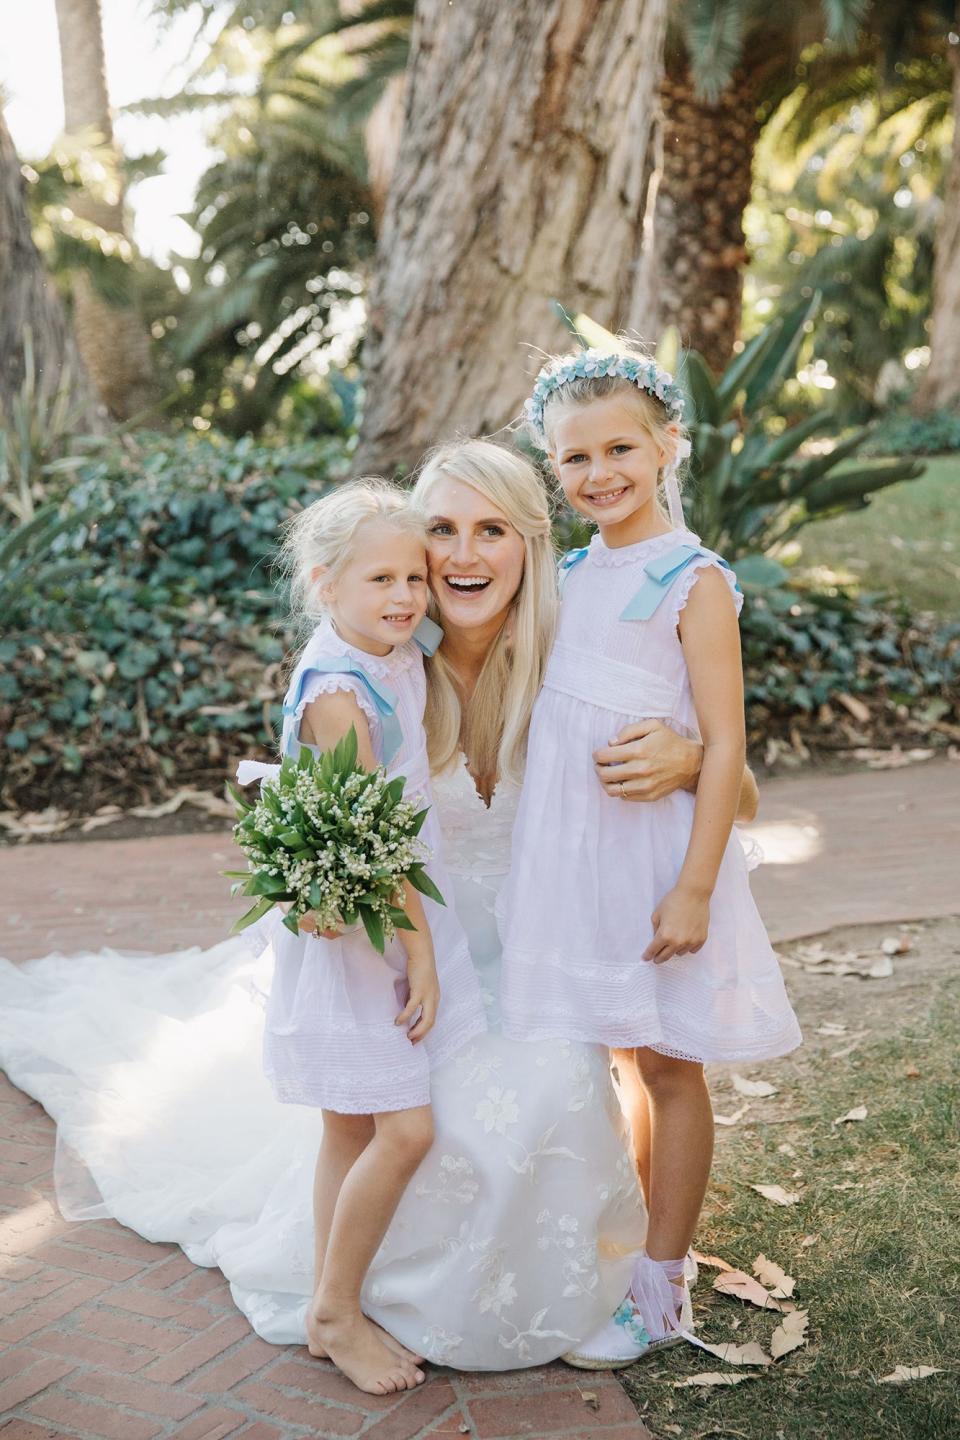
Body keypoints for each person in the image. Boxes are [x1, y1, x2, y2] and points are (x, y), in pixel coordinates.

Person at [0, 437, 758, 1372]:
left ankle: (608, 1280)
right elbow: (322, 808)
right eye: (443, 530)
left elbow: (733, 775)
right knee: (428, 1118)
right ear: (410, 544)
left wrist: (688, 758)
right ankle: (358, 1298)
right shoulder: (386, 658)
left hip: (532, 947)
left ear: (532, 543)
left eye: (492, 530)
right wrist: (323, 890)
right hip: (404, 954)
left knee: (560, 1080)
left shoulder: (574, 652)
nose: (465, 556)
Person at [496, 347, 802, 1368]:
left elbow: (727, 750)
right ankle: (634, 1242)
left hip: (655, 866)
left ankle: (664, 1289)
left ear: (669, 444)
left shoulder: (694, 580)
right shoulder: (573, 574)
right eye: (574, 457)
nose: (599, 473)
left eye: (620, 446)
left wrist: (695, 889)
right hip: (574, 864)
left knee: (671, 1064)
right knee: (623, 1052)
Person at [239, 479, 486, 1392]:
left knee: (350, 1124)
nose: (406, 597)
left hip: (389, 903)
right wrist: (419, 950)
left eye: (415, 577)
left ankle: (327, 1299)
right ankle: (337, 1311)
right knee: (405, 1130)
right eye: (381, 578)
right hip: (368, 926)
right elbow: (373, 845)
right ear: (324, 582)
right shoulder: (340, 691)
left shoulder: (386, 652)